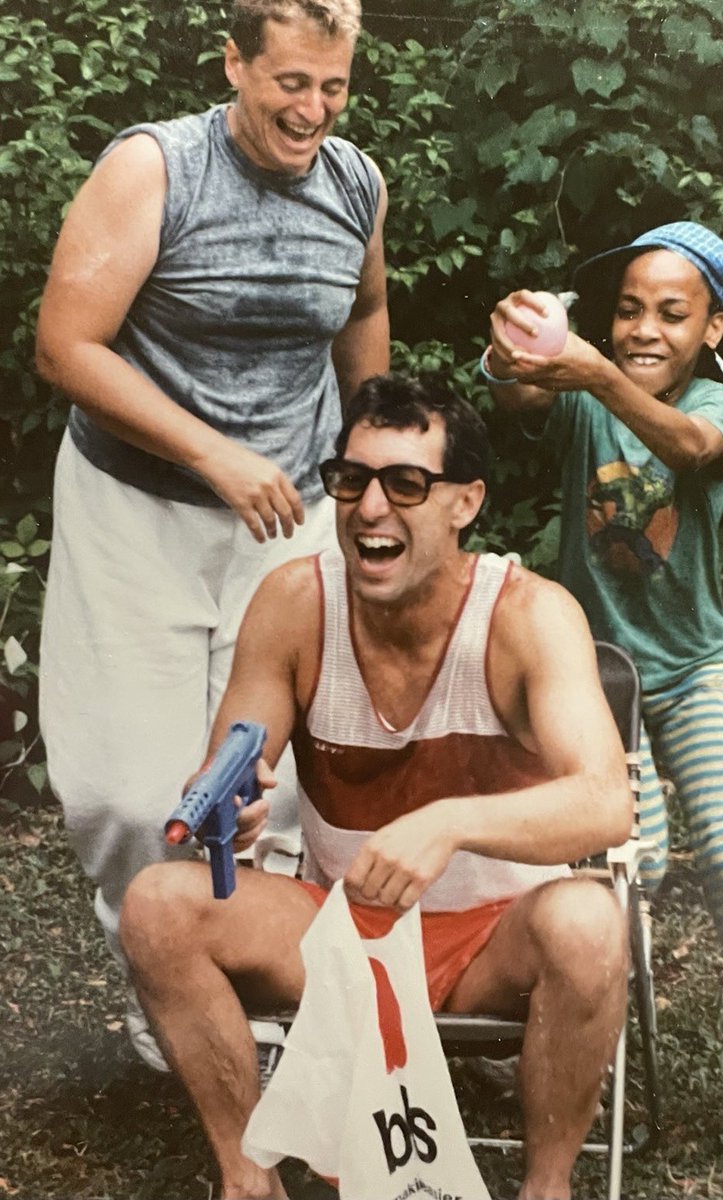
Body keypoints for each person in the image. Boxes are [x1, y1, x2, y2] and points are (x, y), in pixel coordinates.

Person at [119, 374, 633, 1200]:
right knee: (155, 904)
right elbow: (233, 765)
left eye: (406, 485)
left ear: (466, 503)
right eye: (352, 480)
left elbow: (606, 801)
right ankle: (248, 1182)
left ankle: (548, 1189)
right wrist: (232, 807)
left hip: (493, 942)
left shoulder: (526, 614)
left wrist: (450, 823)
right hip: (342, 934)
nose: (369, 507)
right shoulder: (295, 602)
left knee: (588, 918)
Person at [34, 0, 389, 1065]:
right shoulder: (154, 169)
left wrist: (366, 454)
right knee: (124, 791)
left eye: (332, 87)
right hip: (135, 507)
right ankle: (159, 965)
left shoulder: (355, 183)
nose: (313, 110)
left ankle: (257, 1007)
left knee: (268, 781)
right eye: (290, 83)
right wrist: (214, 453)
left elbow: (363, 307)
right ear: (233, 63)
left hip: (286, 515)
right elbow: (67, 343)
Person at [484, 221, 723, 1187]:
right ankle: (579, 1053)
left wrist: (589, 372)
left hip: (693, 672)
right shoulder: (578, 396)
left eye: (672, 313)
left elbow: (689, 445)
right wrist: (517, 347)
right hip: (592, 679)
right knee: (637, 863)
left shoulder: (717, 405)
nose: (644, 328)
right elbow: (511, 395)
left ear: (713, 328)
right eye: (628, 309)